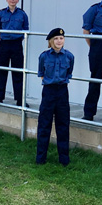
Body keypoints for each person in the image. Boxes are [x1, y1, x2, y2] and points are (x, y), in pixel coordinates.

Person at [36, 28, 75, 167]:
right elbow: (41, 73)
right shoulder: (44, 56)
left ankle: (64, 159)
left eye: (62, 38)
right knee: (44, 125)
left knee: (63, 125)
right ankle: (40, 158)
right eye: (56, 39)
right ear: (51, 41)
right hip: (48, 92)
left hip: (63, 92)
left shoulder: (69, 56)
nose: (59, 41)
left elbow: (69, 73)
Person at [0, 0, 30, 106]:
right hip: (4, 44)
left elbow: (26, 29)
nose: (13, 0)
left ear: (18, 0)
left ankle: (20, 100)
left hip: (17, 44)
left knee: (18, 72)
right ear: (6, 0)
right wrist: (4, 37)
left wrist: (17, 38)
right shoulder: (1, 13)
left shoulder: (22, 14)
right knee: (1, 71)